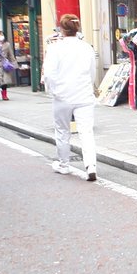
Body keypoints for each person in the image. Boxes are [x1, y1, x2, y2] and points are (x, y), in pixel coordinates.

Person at [42, 14, 99, 181]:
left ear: (61, 29)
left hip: (62, 95)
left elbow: (50, 74)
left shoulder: (55, 48)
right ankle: (91, 165)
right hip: (84, 94)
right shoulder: (86, 47)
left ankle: (64, 164)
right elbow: (92, 73)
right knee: (86, 131)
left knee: (62, 130)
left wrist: (53, 91)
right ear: (77, 29)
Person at [0, 31, 17, 100]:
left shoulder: (7, 44)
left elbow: (11, 54)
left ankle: (4, 95)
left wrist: (14, 63)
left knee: (5, 80)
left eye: (2, 35)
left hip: (5, 64)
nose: (1, 36)